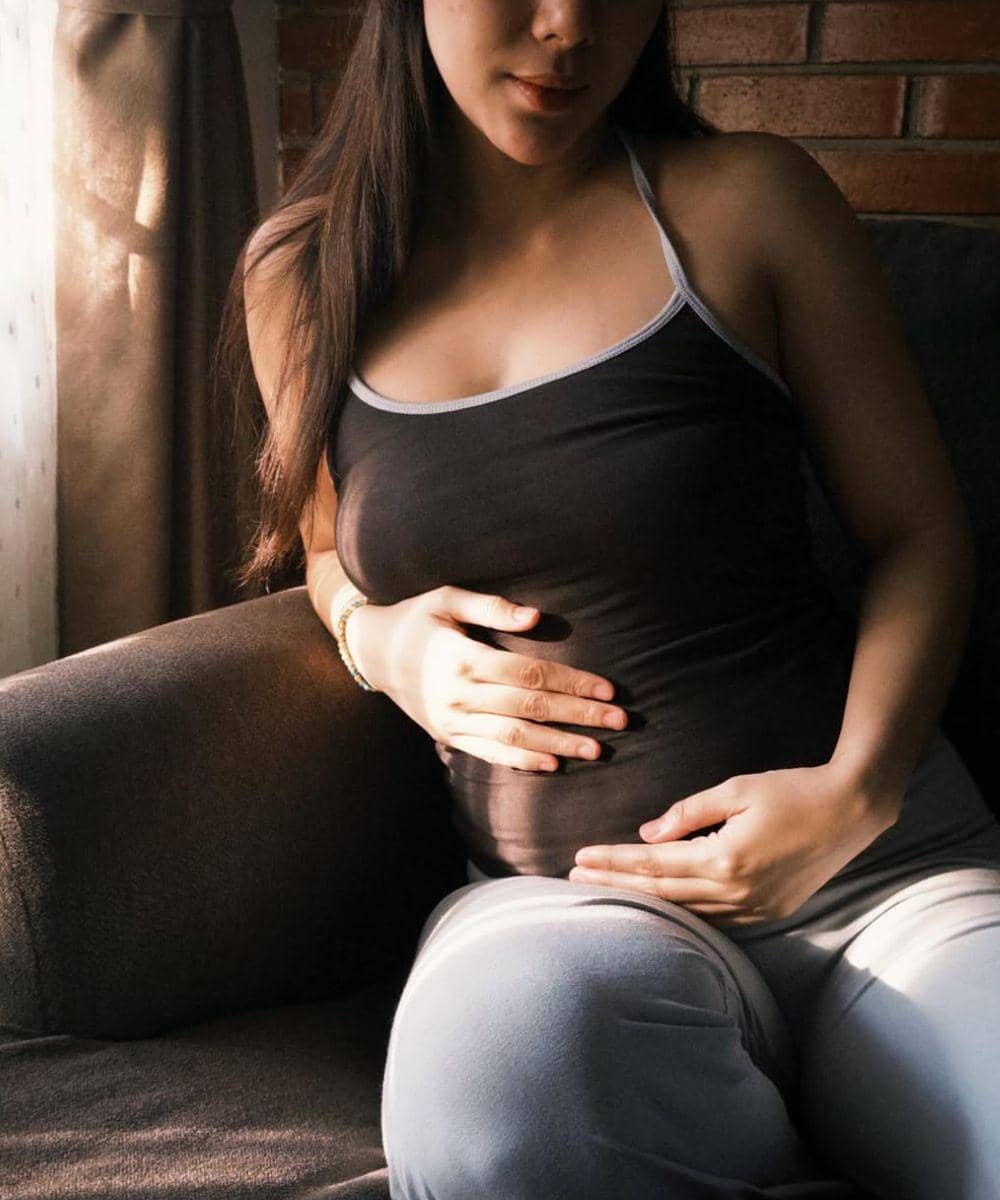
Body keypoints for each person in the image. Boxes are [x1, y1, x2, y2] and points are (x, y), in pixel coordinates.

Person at [228, 2, 1000, 1197]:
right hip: (562, 909)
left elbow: (918, 535)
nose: (569, 27)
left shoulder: (748, 202)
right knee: (502, 1102)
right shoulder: (302, 272)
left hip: (884, 881)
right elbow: (326, 549)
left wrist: (856, 789)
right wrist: (377, 640)